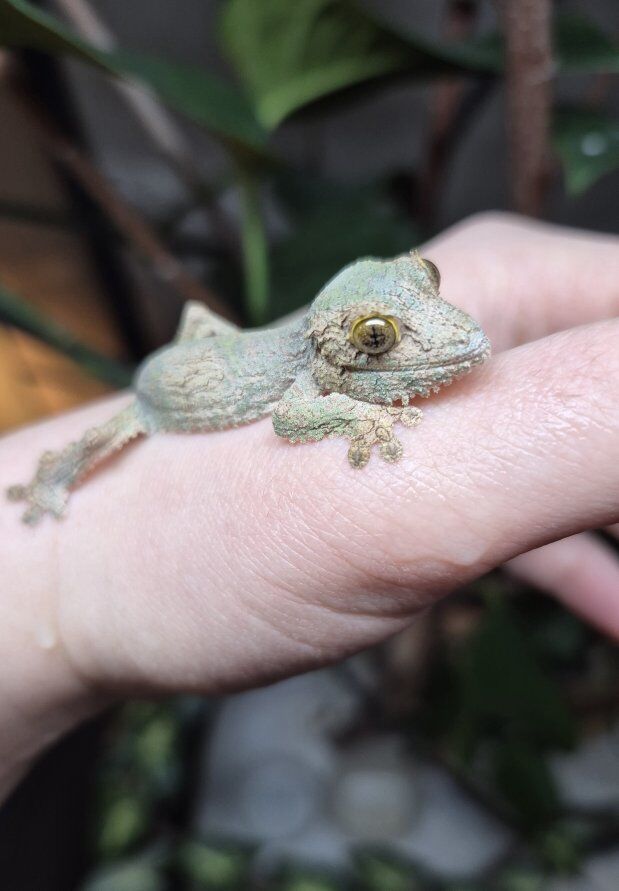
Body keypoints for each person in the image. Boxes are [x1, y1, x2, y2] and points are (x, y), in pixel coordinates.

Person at [1, 212, 617, 801]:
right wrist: (356, 414)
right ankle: (47, 485)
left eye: (425, 281)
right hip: (158, 393)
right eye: (376, 338)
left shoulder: (325, 352)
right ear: (331, 348)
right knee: (104, 436)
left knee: (203, 323)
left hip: (203, 347)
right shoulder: (308, 377)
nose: (451, 326)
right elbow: (293, 418)